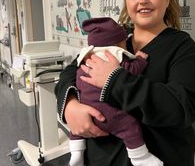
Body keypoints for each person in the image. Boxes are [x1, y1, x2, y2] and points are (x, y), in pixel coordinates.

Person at [55, 0, 195, 166]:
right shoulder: (113, 39)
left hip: (162, 157)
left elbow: (183, 108)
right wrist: (70, 104)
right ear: (126, 1)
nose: (142, 1)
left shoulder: (182, 47)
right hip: (101, 158)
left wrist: (115, 81)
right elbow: (71, 72)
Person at [69, 17, 163, 166]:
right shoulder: (115, 56)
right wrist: (140, 60)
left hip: (87, 113)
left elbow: (72, 73)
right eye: (124, 43)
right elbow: (131, 70)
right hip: (107, 115)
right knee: (130, 126)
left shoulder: (86, 57)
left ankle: (76, 152)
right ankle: (140, 157)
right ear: (117, 44)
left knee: (75, 130)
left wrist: (73, 102)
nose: (126, 45)